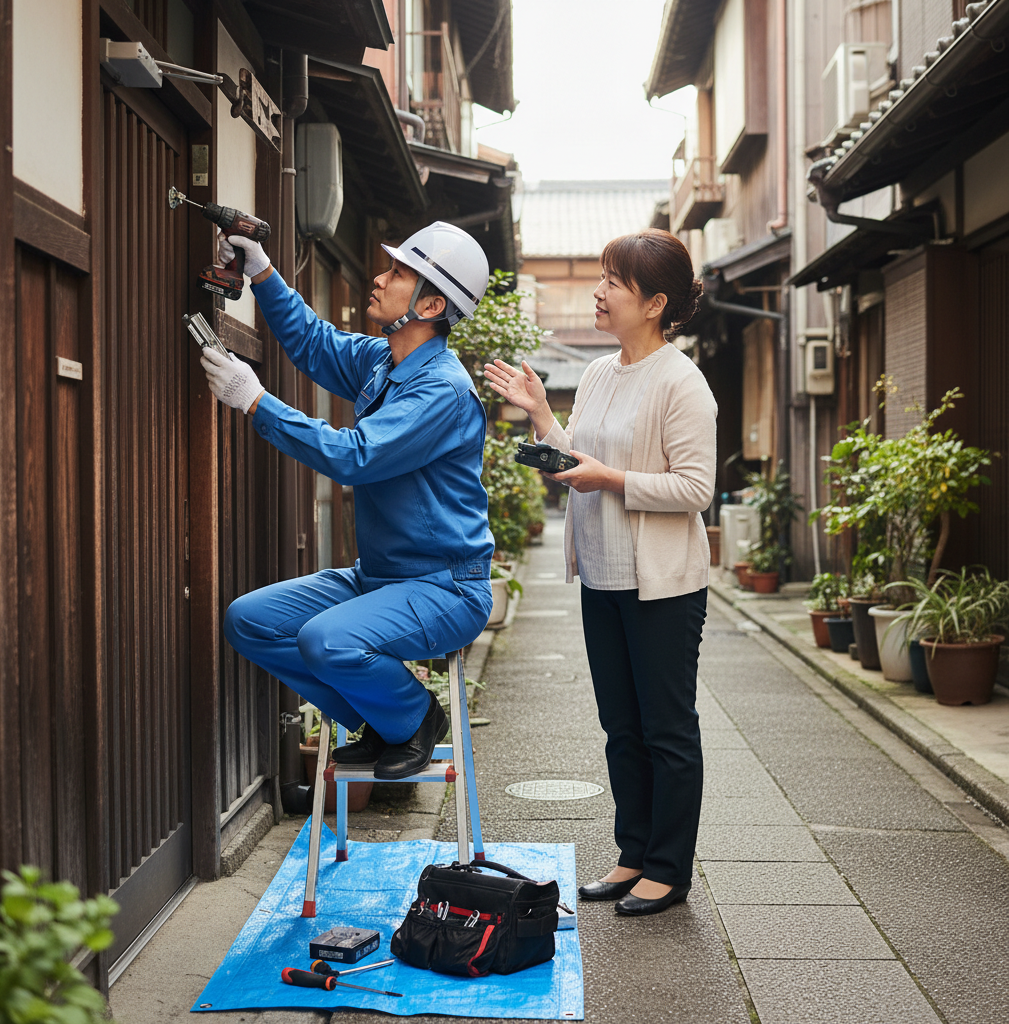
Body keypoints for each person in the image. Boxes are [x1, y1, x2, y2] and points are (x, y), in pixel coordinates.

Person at [201, 221, 495, 781]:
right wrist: (262, 271)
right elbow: (313, 342)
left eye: (398, 273)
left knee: (325, 638)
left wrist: (256, 402)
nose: (380, 279)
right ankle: (379, 722)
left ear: (431, 304)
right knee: (249, 621)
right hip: (380, 577)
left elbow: (353, 456)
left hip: (447, 588)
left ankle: (414, 718)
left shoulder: (442, 391)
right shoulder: (383, 361)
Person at [484, 229, 716, 916]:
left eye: (615, 281)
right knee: (621, 725)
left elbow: (695, 489)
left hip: (663, 584)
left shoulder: (682, 381)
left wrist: (610, 477)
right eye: (603, 277)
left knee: (666, 729)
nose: (599, 290)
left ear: (655, 303)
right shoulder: (594, 372)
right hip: (603, 576)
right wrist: (542, 417)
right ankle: (633, 853)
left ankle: (668, 871)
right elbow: (574, 460)